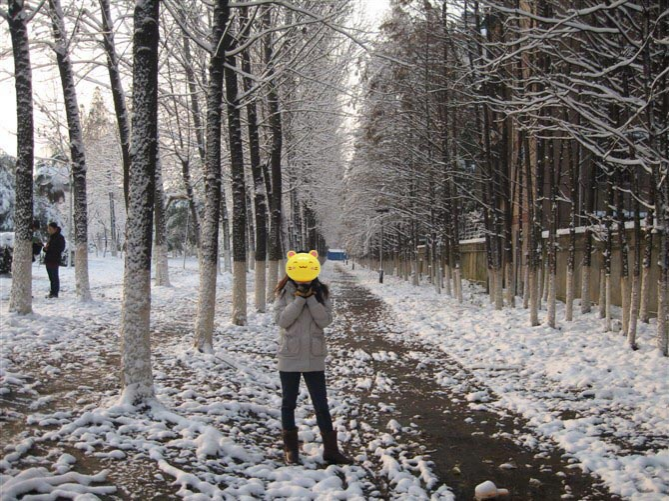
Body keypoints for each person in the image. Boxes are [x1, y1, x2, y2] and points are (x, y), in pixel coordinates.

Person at [273, 249, 353, 466]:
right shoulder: (283, 291)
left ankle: (331, 450)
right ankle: (291, 450)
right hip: (290, 354)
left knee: (321, 404)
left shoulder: (322, 292)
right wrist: (298, 300)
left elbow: (325, 321)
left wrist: (311, 300)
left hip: (314, 356)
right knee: (288, 403)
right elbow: (282, 320)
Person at [44, 222, 65, 298]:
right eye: (48, 228)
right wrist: (45, 249)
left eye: (50, 229)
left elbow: (60, 248)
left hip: (54, 260)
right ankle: (52, 292)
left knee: (54, 277)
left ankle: (55, 293)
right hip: (48, 259)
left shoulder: (60, 238)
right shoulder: (51, 237)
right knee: (51, 277)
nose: (48, 230)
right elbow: (48, 247)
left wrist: (50, 249)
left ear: (55, 229)